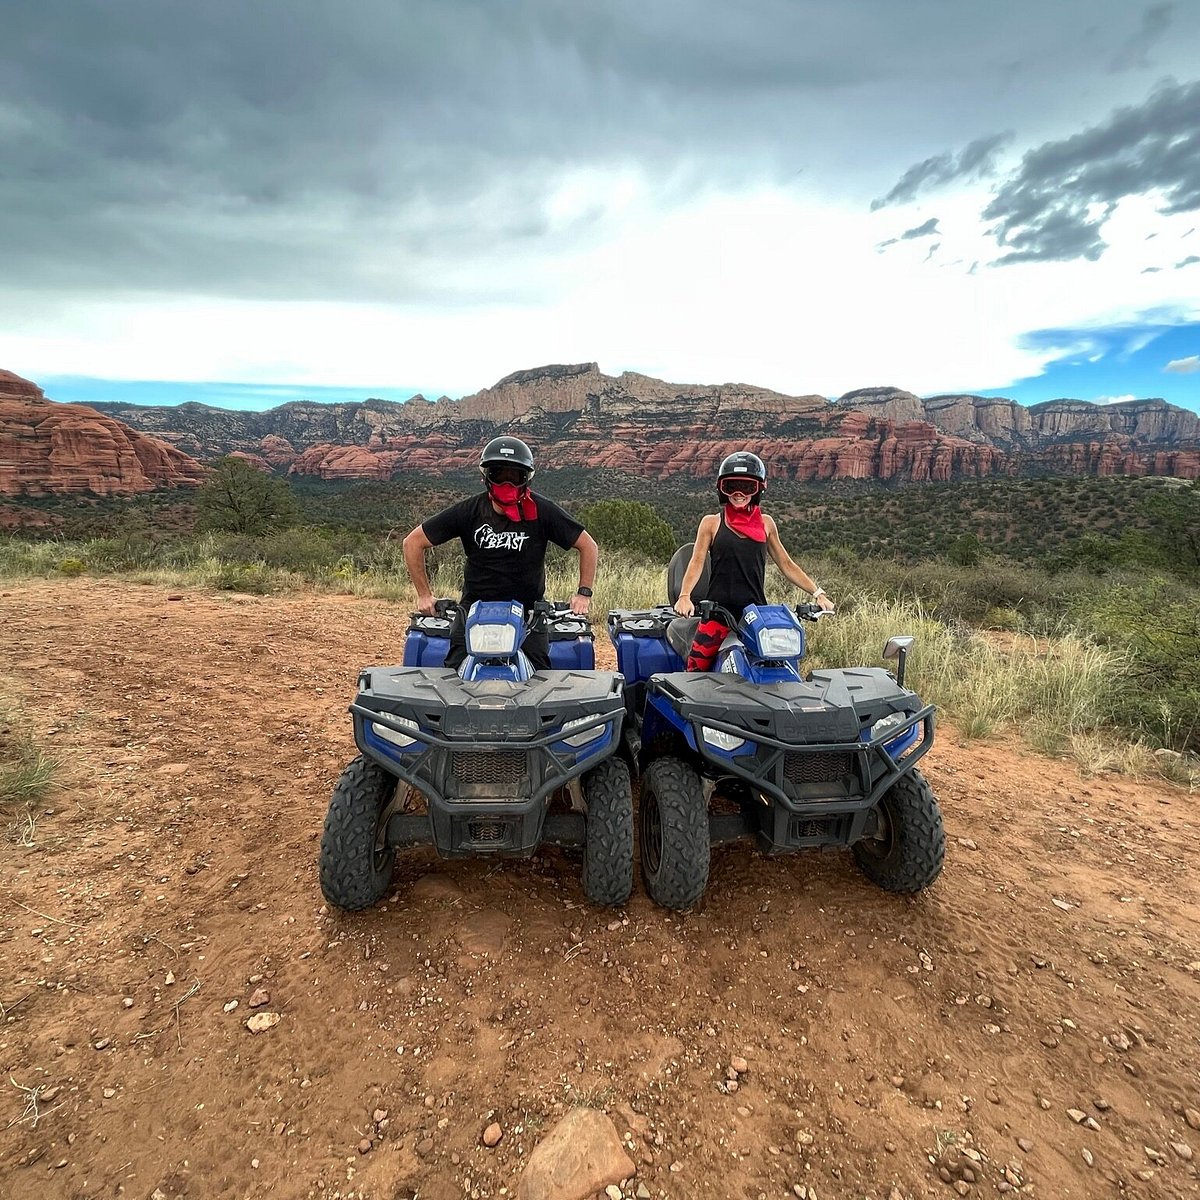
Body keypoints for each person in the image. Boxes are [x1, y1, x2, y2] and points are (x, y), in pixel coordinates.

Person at [402, 436, 598, 671]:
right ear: (486, 477)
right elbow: (412, 542)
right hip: (473, 610)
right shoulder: (469, 511)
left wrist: (583, 594)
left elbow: (588, 546)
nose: (507, 484)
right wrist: (424, 595)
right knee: (452, 677)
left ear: (525, 479)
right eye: (499, 475)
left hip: (529, 613)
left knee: (540, 682)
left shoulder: (542, 511)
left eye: (514, 476)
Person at [674, 451, 834, 671]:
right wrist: (684, 596)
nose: (739, 494)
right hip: (718, 611)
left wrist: (818, 594)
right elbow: (696, 562)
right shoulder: (711, 523)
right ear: (722, 489)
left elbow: (786, 564)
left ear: (758, 489)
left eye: (747, 487)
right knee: (695, 667)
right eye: (732, 487)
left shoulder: (766, 524)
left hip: (756, 612)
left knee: (782, 665)